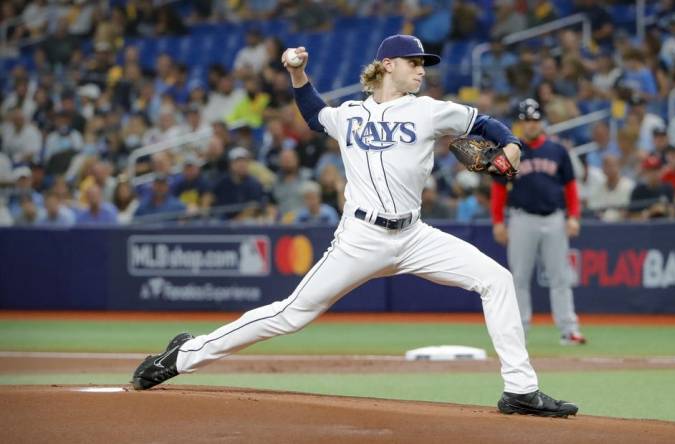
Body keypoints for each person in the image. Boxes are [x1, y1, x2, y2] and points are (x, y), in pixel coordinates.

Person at [131, 34, 578, 418]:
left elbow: (485, 123)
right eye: (413, 62)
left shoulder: (429, 110)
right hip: (360, 238)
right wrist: (297, 74)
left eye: (423, 63)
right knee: (290, 315)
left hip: (414, 236)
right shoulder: (349, 115)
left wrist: (513, 146)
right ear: (387, 65)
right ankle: (182, 356)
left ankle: (519, 391)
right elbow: (312, 114)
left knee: (497, 279)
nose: (421, 70)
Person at [490, 99, 585, 346]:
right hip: (522, 218)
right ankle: (519, 330)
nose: (531, 125)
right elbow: (498, 188)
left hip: (554, 218)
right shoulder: (510, 150)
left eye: (534, 120)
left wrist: (573, 216)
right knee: (519, 278)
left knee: (560, 277)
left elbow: (571, 187)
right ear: (519, 124)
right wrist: (498, 221)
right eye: (526, 120)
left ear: (541, 122)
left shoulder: (558, 150)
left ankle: (569, 329)